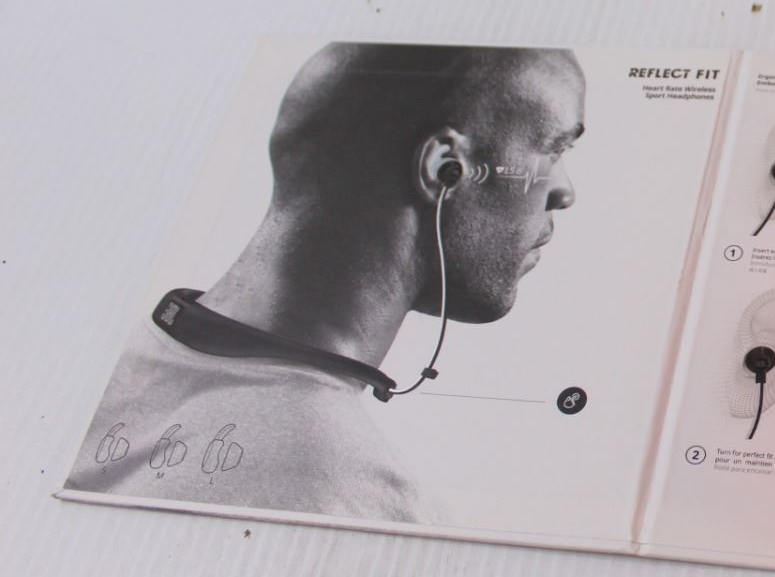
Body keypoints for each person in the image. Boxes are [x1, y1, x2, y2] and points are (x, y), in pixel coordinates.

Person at [65, 43, 584, 523]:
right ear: (444, 167)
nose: (565, 192)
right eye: (554, 149)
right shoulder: (356, 498)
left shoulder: (89, 375)